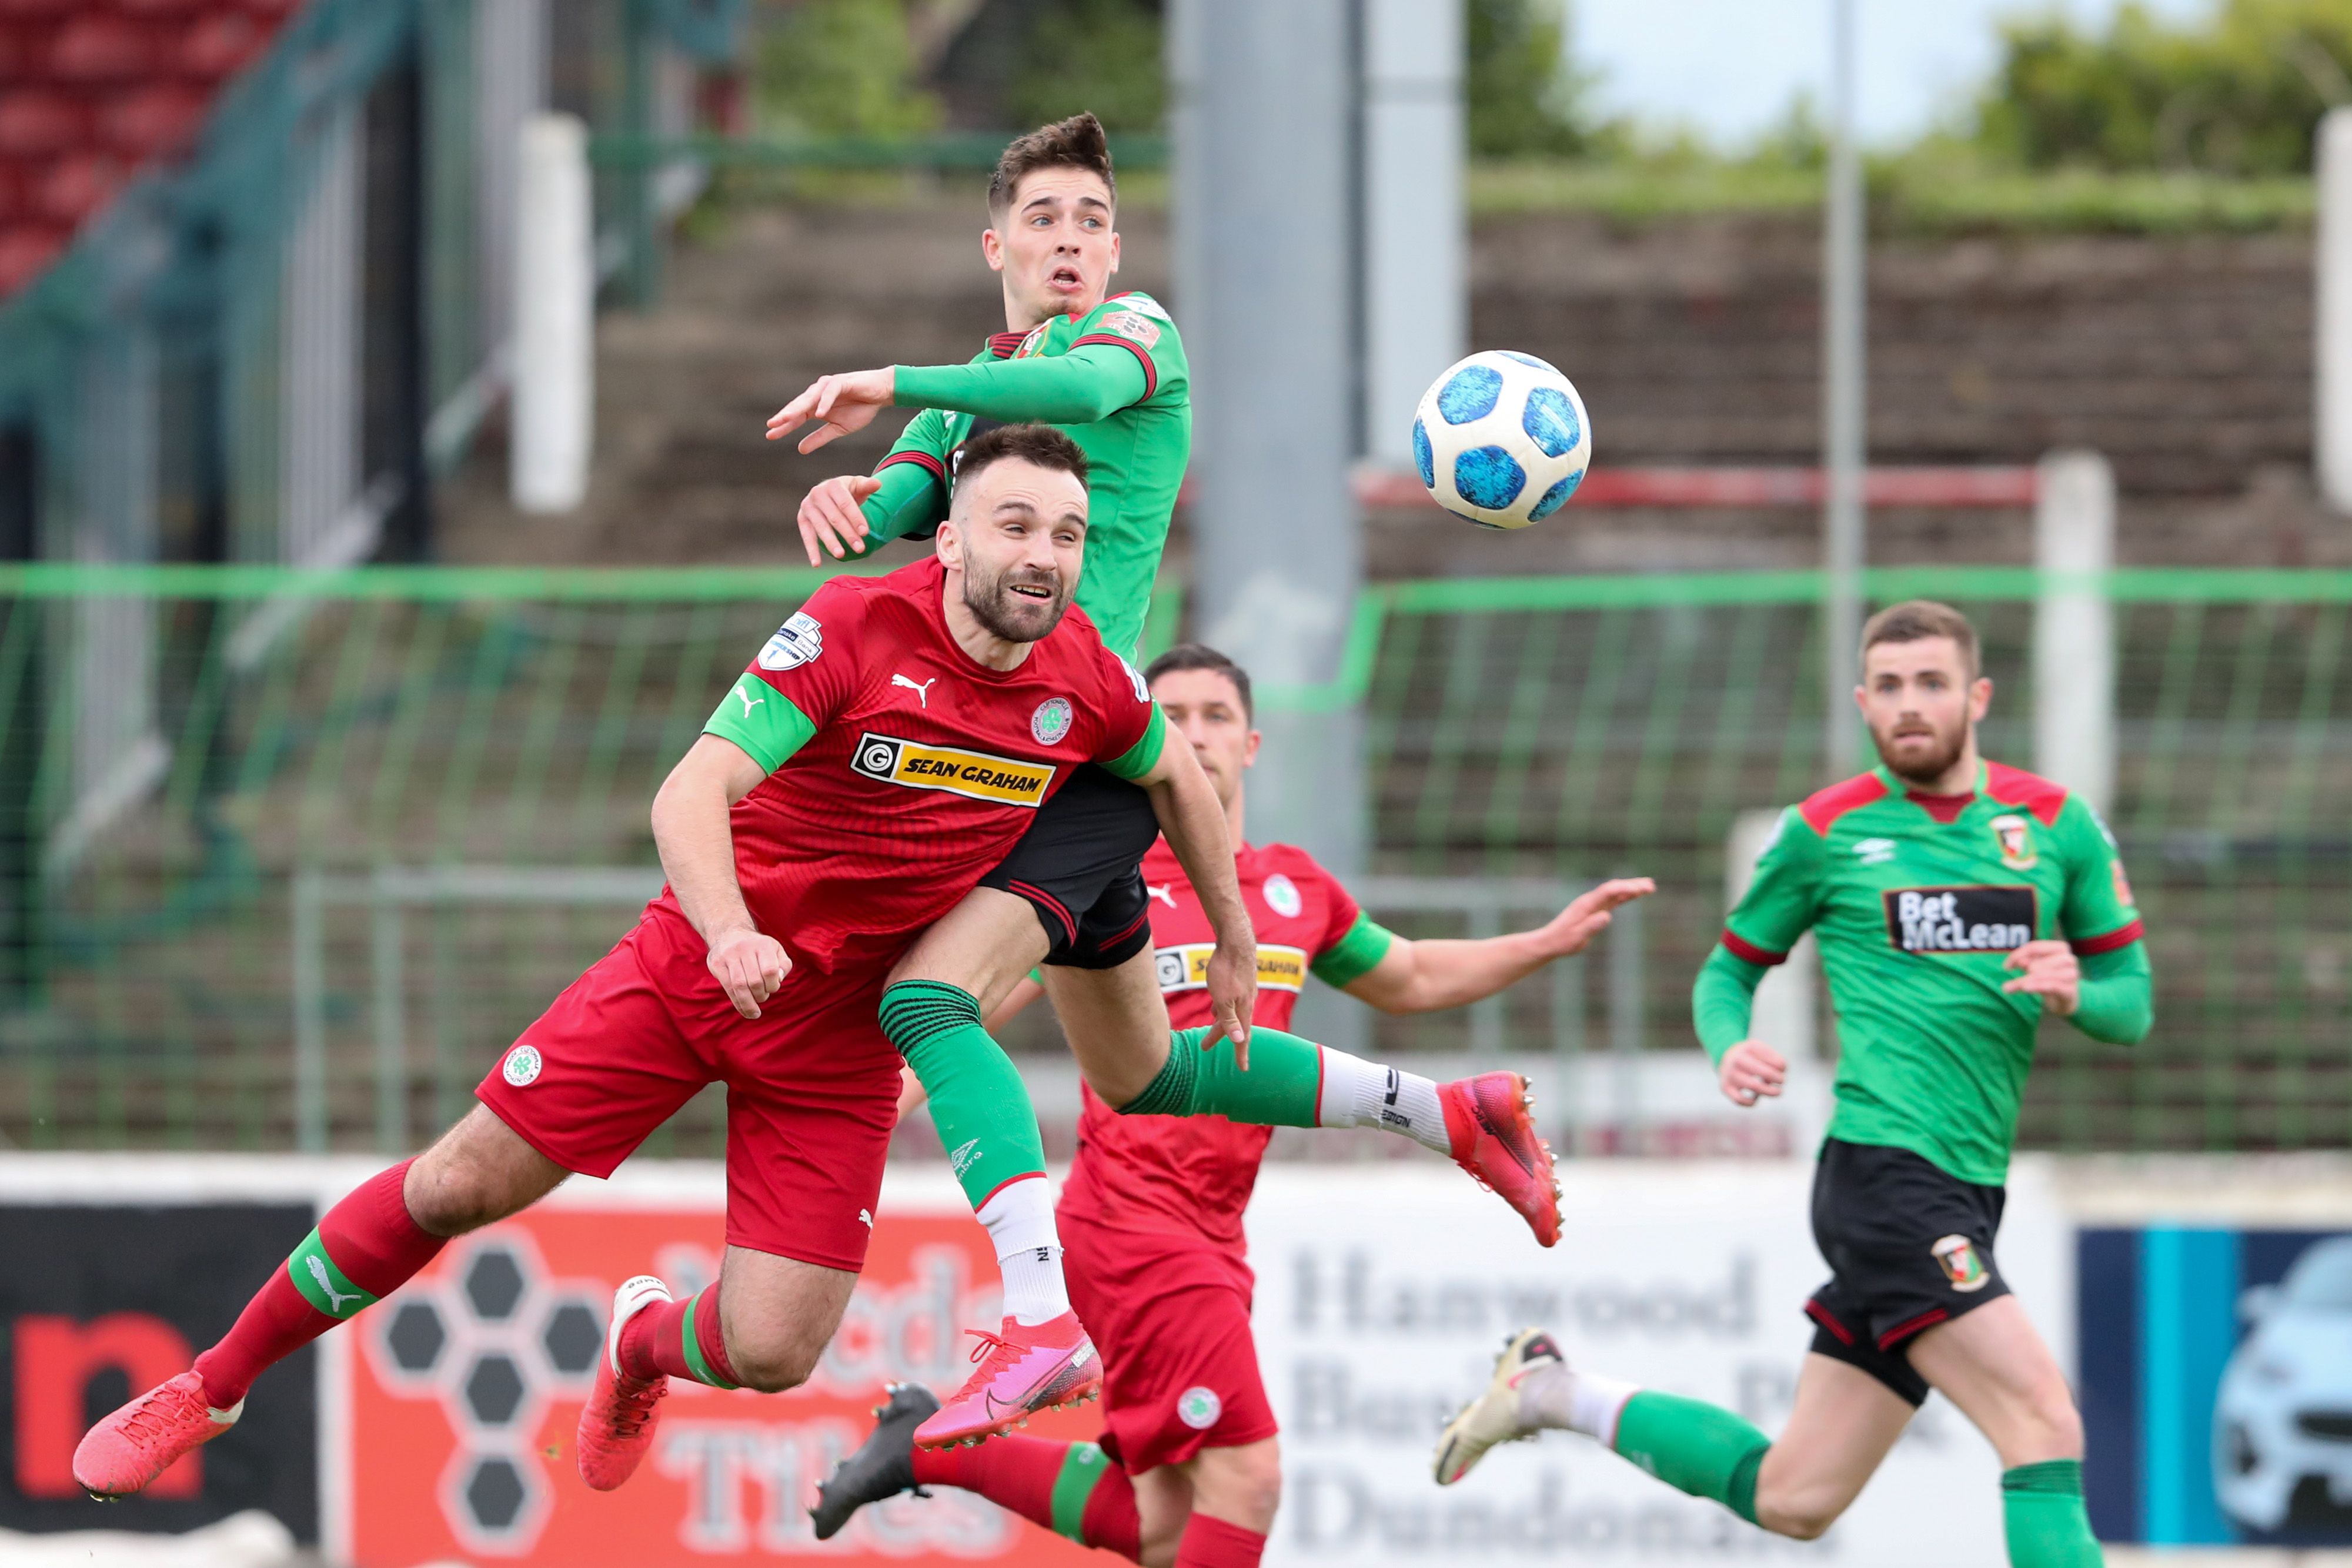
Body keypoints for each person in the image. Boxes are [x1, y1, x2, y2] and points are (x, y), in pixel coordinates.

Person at [71, 426, 1228, 1497]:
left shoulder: (1084, 677)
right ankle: (212, 1385)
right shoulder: (856, 625)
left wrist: (1230, 934)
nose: (1044, 556)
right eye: (1016, 525)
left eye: (1067, 534)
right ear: (953, 540)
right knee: (455, 1186)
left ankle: (639, 1342)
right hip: (690, 973)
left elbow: (1175, 775)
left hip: (838, 1040)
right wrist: (728, 929)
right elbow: (691, 788)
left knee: (772, 1351)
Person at [769, 115, 1565, 1448]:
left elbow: (1077, 398)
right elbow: (903, 511)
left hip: (1081, 749)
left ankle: (1039, 1320)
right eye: (1042, 219)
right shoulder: (968, 393)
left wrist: (884, 376)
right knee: (1144, 1074)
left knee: (925, 996)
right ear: (994, 245)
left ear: (1116, 250)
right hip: (1006, 761)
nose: (1069, 241)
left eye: (1091, 221)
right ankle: (1446, 1110)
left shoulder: (1135, 337)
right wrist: (845, 495)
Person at [807, 644, 1654, 1568]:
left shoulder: (1292, 889)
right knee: (1249, 1481)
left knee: (1165, 1523)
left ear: (1251, 744)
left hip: (1214, 1229)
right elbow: (965, 1003)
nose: (1195, 735)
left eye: (1216, 717)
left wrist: (1544, 941)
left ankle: (922, 1447)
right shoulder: (1097, 884)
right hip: (1133, 1219)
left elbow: (1408, 974)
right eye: (1170, 717)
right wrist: (872, 1104)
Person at [1431, 601, 2152, 1568]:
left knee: (1795, 1497)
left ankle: (1551, 1392)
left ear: (1978, 696)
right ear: (1862, 701)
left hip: (1968, 1187)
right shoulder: (1825, 830)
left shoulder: (2056, 824)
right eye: (1888, 686)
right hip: (1887, 1179)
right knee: (2042, 1424)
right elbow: (1726, 974)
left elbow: (2131, 1005)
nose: (1909, 704)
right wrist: (1729, 1045)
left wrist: (2076, 995)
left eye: (1931, 683)